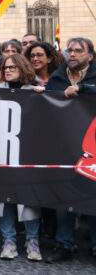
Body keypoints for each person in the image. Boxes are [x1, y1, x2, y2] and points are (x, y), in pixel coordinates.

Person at [0, 54, 44, 261]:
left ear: (23, 68)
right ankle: (8, 240)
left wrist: (43, 95)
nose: (9, 70)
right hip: (2, 153)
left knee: (29, 199)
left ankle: (33, 240)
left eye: (13, 67)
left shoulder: (34, 91)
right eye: (6, 67)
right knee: (5, 199)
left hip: (27, 153)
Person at [45, 37, 96, 263]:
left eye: (78, 50)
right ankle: (64, 244)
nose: (72, 54)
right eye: (70, 50)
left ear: (90, 56)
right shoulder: (57, 77)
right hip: (64, 144)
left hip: (92, 147)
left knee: (93, 196)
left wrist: (82, 88)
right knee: (64, 197)